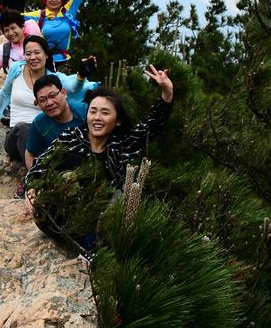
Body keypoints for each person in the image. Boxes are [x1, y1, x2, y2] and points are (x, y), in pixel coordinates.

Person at [24, 66, 175, 253]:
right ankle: (76, 242)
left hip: (107, 220)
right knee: (66, 180)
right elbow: (40, 165)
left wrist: (167, 94)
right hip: (71, 219)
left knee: (123, 199)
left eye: (105, 113)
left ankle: (103, 250)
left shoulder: (121, 144)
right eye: (93, 111)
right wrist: (31, 189)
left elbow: (150, 126)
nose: (97, 118)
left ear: (117, 120)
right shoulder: (70, 138)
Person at [0, 40, 99, 160]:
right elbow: (5, 93)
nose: (33, 57)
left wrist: (81, 76)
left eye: (37, 53)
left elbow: (72, 87)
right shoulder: (16, 69)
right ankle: (36, 175)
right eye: (28, 53)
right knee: (22, 128)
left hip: (41, 132)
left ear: (46, 55)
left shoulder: (53, 79)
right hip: (17, 133)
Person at [24, 73, 88, 169]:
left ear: (63, 93)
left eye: (53, 95)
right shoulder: (39, 124)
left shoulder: (85, 112)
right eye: (42, 100)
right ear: (37, 103)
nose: (49, 103)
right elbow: (30, 154)